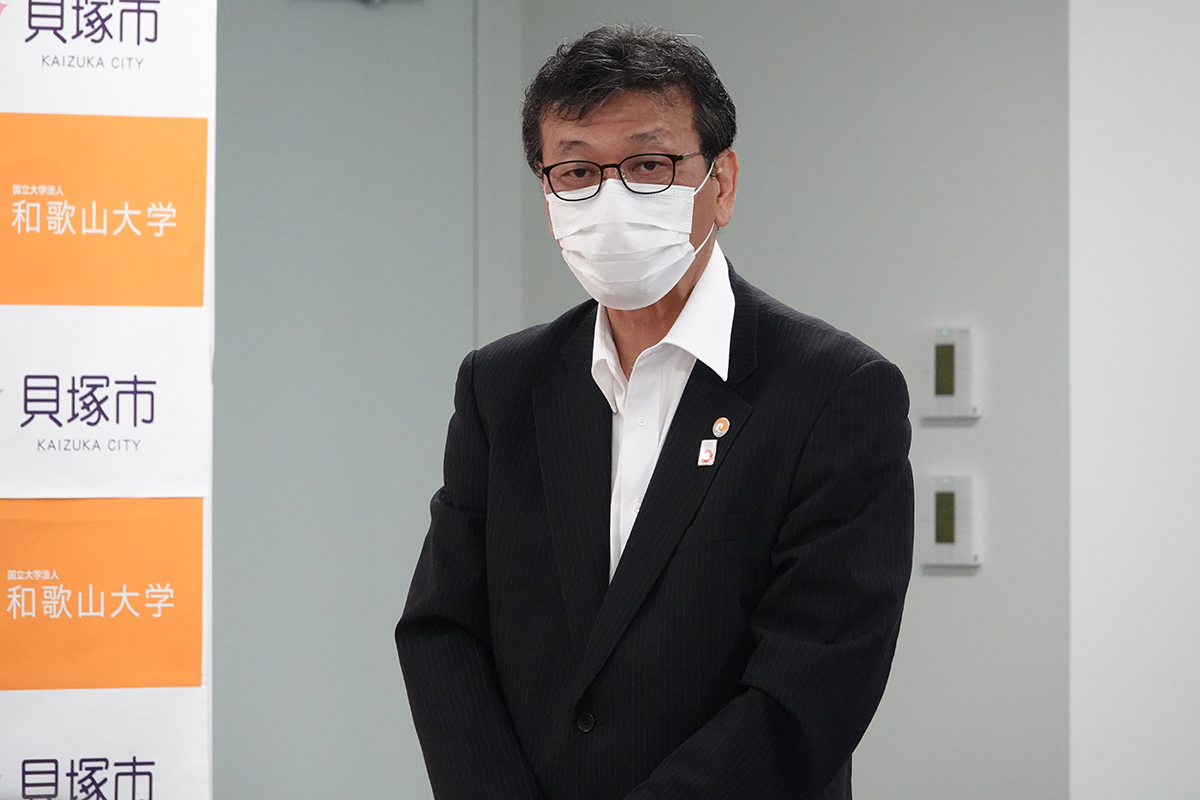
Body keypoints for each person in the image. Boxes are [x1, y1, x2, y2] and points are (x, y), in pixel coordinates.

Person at [396, 24, 913, 800]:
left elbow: (814, 682)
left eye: (648, 165)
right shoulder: (501, 387)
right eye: (576, 171)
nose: (611, 199)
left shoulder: (835, 392)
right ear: (548, 195)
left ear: (722, 182)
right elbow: (444, 630)